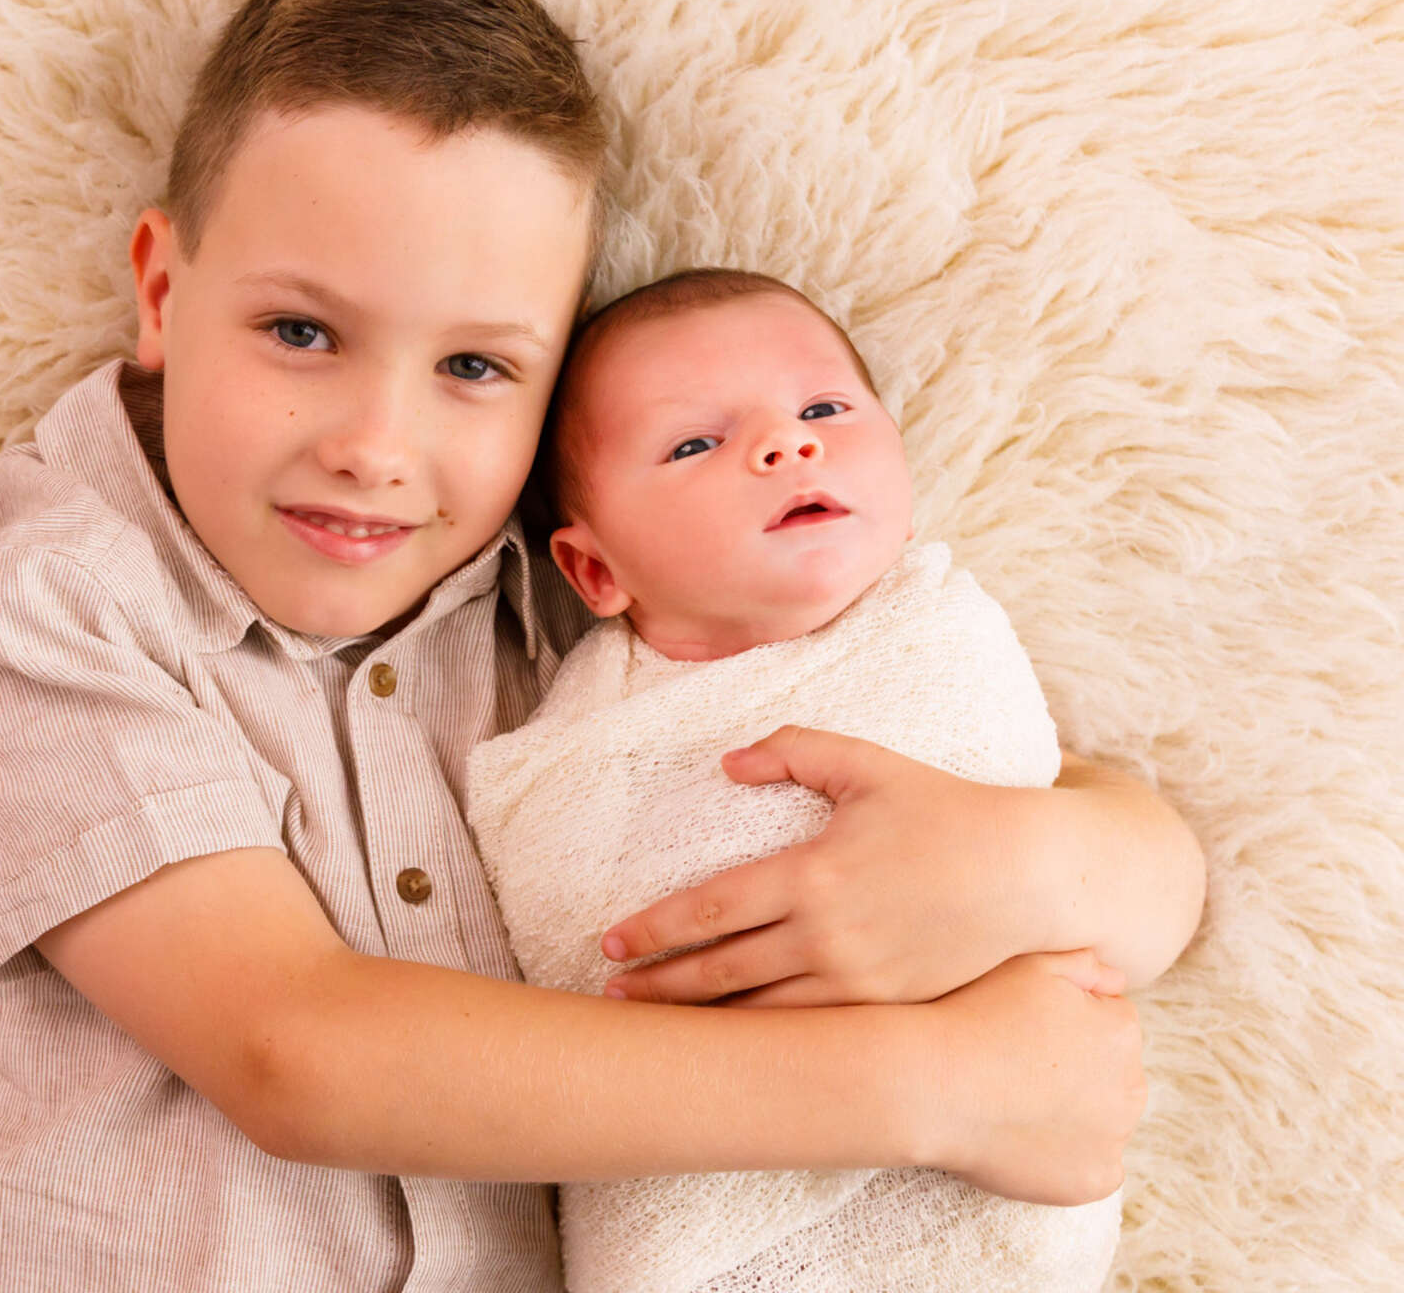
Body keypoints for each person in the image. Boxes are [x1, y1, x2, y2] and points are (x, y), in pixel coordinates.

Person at [0, 0, 1203, 1292]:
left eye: (473, 366)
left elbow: (1121, 843)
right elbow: (297, 1053)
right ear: (164, 292)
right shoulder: (52, 616)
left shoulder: (571, 604)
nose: (376, 445)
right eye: (302, 333)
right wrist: (939, 1089)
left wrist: (1031, 873)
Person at [468, 268, 1133, 1293]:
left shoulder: (942, 636)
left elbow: (1048, 828)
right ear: (595, 572)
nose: (787, 445)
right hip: (733, 1164)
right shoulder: (584, 749)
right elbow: (579, 945)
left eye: (823, 408)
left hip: (1003, 1176)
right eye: (695, 443)